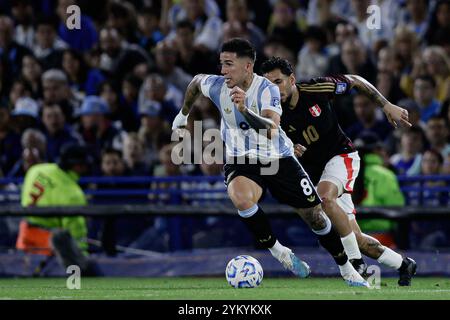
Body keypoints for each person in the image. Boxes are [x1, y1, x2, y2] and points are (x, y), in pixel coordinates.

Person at [172, 38, 369, 287]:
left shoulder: (267, 89)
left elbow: (271, 129)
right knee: (241, 198)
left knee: (316, 217)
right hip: (241, 159)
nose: (222, 71)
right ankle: (280, 252)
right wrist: (183, 114)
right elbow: (196, 82)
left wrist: (244, 110)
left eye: (229, 65)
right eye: (221, 64)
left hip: (278, 158)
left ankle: (346, 268)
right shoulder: (217, 85)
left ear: (247, 66)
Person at [261, 56, 417, 286]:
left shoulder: (316, 88)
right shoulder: (272, 114)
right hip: (319, 173)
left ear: (292, 79)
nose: (273, 89)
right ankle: (404, 264)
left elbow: (355, 80)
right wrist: (288, 148)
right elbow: (270, 145)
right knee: (355, 237)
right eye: (267, 85)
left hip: (342, 156)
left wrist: (386, 105)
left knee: (325, 198)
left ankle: (355, 263)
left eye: (278, 82)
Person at [15, 143, 95, 275]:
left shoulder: (36, 169)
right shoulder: (73, 193)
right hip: (50, 249)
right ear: (77, 166)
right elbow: (76, 233)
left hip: (24, 240)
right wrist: (83, 260)